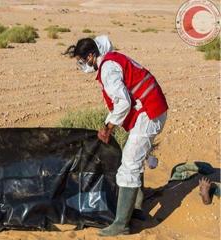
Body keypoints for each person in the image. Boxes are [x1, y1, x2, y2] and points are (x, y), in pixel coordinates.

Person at [63, 35, 168, 236]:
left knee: (129, 165)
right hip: (152, 110)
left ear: (92, 55)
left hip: (149, 114)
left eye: (83, 60)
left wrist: (108, 127)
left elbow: (123, 103)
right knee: (134, 158)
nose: (82, 65)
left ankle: (121, 224)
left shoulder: (108, 69)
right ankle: (136, 210)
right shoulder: (113, 59)